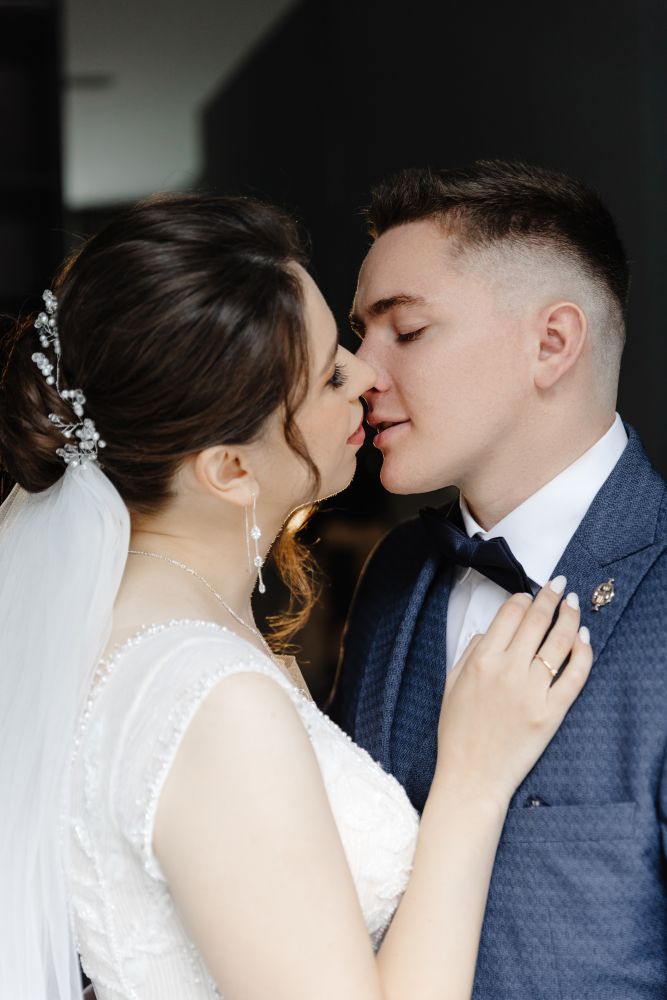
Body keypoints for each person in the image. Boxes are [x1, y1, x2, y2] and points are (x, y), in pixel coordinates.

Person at [0, 193, 592, 1000]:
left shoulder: (131, 625)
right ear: (229, 469)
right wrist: (472, 783)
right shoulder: (209, 697)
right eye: (328, 376)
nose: (366, 376)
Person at [331, 160, 667, 998]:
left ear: (550, 344)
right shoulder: (395, 574)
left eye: (406, 330)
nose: (363, 371)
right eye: (361, 334)